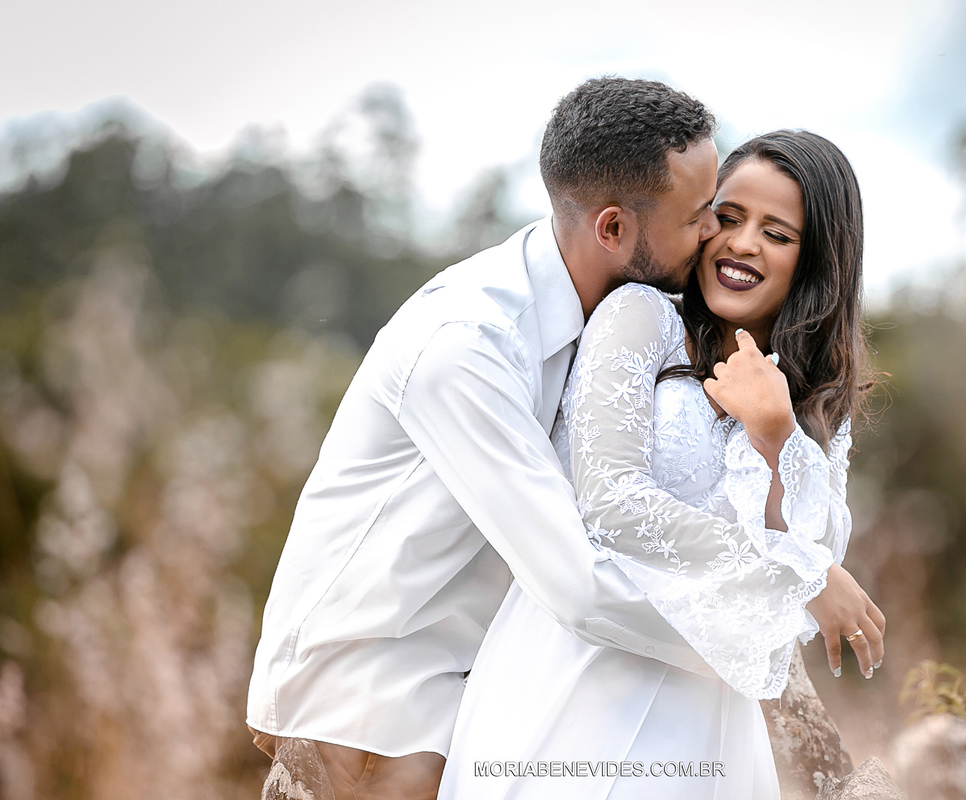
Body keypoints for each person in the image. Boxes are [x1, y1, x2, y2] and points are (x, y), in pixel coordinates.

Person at [245, 77, 724, 800]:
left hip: (462, 706)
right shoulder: (467, 345)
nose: (714, 232)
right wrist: (752, 632)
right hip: (374, 719)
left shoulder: (609, 325)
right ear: (613, 230)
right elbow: (579, 582)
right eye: (697, 216)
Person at [438, 130, 884, 800]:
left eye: (777, 233)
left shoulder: (817, 399)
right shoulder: (642, 317)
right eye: (728, 217)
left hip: (707, 707)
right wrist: (799, 572)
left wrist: (775, 435)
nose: (742, 244)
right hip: (581, 675)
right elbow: (612, 505)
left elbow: (818, 547)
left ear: (816, 259)